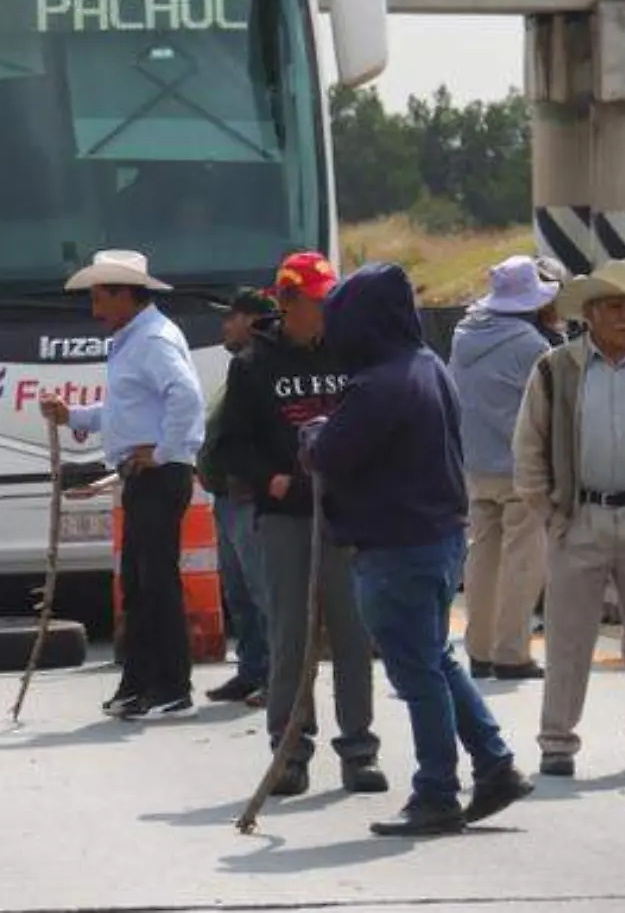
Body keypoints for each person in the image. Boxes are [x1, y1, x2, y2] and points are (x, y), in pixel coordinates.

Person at [303, 263, 531, 837]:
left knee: (417, 674)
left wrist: (312, 435)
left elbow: (330, 453)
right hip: (438, 537)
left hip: (396, 547)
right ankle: (495, 762)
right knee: (436, 659)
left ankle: (436, 792)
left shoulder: (378, 383)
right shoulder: (424, 365)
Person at [220, 253, 384, 797]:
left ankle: (359, 749)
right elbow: (229, 445)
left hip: (344, 514)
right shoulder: (250, 364)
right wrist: (267, 477)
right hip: (286, 519)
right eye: (318, 301)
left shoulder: (350, 352)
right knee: (291, 635)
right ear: (286, 301)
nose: (326, 311)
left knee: (353, 635)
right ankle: (289, 749)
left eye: (331, 300)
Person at [512, 260, 625, 779]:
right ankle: (557, 742)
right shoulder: (556, 369)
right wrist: (549, 513)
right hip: (580, 516)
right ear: (593, 314)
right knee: (568, 636)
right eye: (618, 307)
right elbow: (529, 445)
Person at [40, 250, 205, 722]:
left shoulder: (152, 340)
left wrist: (165, 451)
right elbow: (127, 411)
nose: (94, 310)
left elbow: (185, 396)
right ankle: (139, 684)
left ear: (125, 294)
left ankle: (172, 687)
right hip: (143, 472)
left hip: (156, 474)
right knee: (137, 584)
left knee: (157, 584)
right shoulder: (134, 339)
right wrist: (74, 417)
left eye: (100, 297)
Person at [449, 257, 557, 681]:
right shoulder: (532, 345)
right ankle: (511, 652)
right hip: (521, 467)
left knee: (482, 557)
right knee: (524, 561)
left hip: (475, 464)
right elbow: (552, 411)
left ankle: (479, 650)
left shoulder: (463, 335)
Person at [199, 290, 277, 707]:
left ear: (253, 321)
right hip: (228, 496)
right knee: (240, 595)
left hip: (251, 498)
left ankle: (276, 677)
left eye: (232, 316)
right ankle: (251, 670)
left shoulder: (262, 368)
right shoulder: (239, 367)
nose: (225, 324)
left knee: (265, 593)